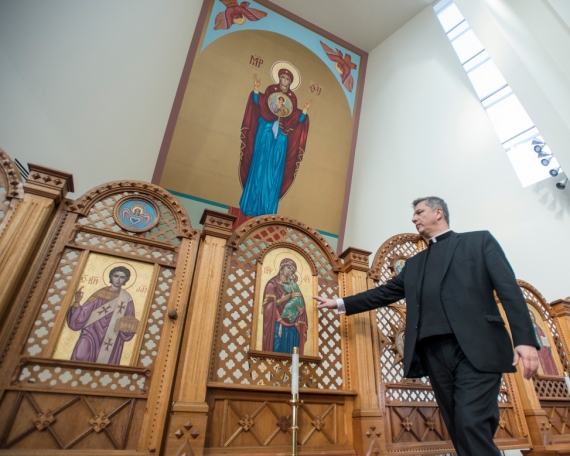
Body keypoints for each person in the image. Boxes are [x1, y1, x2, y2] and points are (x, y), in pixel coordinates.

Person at [314, 197, 539, 456]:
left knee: (471, 421)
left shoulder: (478, 242)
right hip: (433, 353)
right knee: (457, 426)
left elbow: (509, 290)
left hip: (476, 348)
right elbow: (383, 293)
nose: (414, 218)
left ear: (438, 212)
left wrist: (525, 340)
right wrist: (339, 302)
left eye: (419, 212)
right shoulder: (414, 264)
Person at [239, 68, 312, 217]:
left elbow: (297, 119)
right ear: (279, 79)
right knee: (260, 167)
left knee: (274, 170)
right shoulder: (271, 90)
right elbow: (259, 103)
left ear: (290, 82)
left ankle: (267, 210)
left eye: (287, 79)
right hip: (265, 131)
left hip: (281, 137)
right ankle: (251, 206)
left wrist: (304, 109)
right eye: (282, 77)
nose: (284, 81)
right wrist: (256, 88)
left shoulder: (292, 98)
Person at [67, 266, 139, 365]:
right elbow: (82, 315)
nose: (118, 280)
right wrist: (77, 301)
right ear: (111, 277)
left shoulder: (127, 298)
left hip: (112, 336)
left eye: (122, 277)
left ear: (126, 279)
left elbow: (129, 321)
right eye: (116, 276)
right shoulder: (99, 293)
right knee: (81, 355)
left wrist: (127, 329)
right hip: (91, 332)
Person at [262, 258, 308, 354]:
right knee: (277, 349)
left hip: (292, 326)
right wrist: (281, 300)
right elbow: (267, 307)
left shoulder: (294, 286)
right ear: (281, 268)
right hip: (277, 323)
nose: (290, 271)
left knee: (292, 351)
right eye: (288, 267)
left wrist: (301, 311)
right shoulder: (272, 284)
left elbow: (301, 304)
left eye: (292, 270)